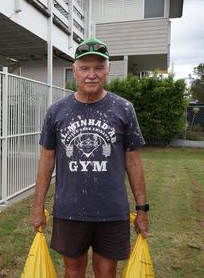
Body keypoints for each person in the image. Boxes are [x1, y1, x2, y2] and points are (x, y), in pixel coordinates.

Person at [31, 37, 149, 278]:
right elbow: (46, 160)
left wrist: (142, 208)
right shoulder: (57, 111)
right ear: (74, 71)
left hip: (111, 210)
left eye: (98, 67)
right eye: (84, 68)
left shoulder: (124, 109)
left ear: (108, 70)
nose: (91, 74)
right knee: (73, 271)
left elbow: (133, 161)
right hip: (70, 209)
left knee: (106, 272)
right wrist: (38, 205)